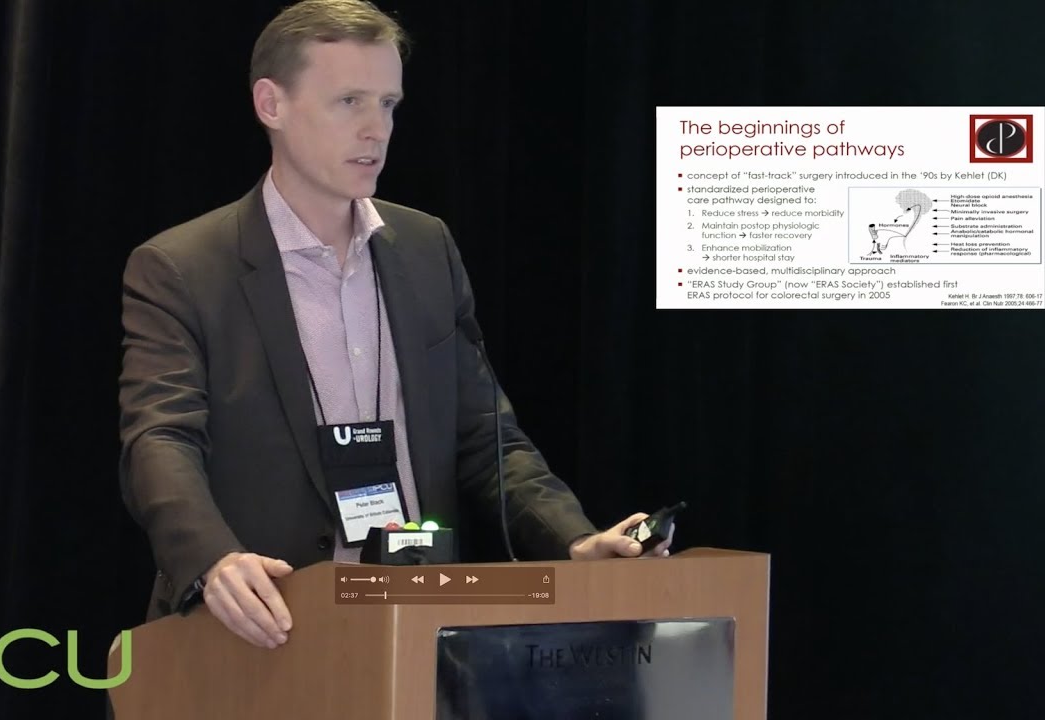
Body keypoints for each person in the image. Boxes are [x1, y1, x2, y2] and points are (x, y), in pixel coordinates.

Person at [117, 0, 672, 652]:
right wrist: (214, 558)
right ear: (271, 104)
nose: (376, 129)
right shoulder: (183, 268)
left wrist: (573, 539)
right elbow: (160, 439)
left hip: (418, 627)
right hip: (263, 633)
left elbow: (486, 437)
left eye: (388, 104)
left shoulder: (426, 246)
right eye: (349, 101)